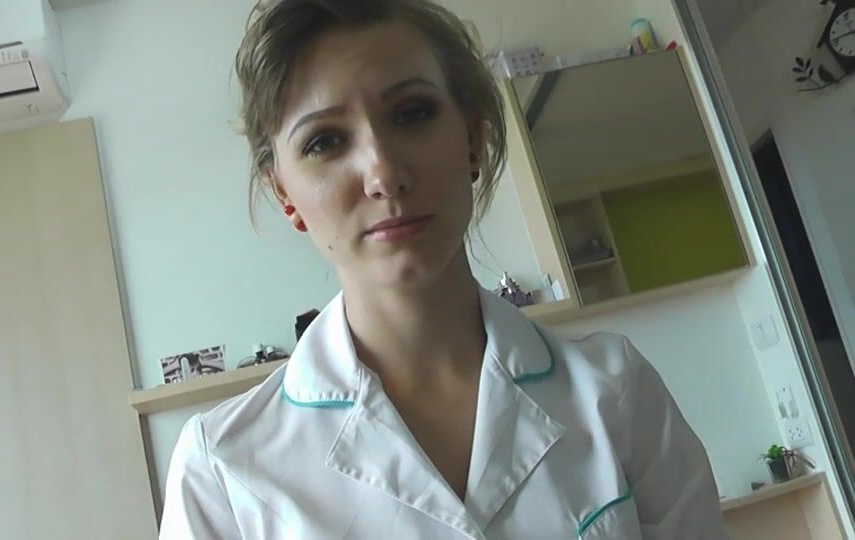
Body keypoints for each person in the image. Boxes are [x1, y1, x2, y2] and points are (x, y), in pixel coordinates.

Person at [160, 1, 728, 538]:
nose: (384, 174)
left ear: (472, 139)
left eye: (412, 114)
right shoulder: (222, 470)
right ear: (286, 195)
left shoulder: (616, 391)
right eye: (325, 141)